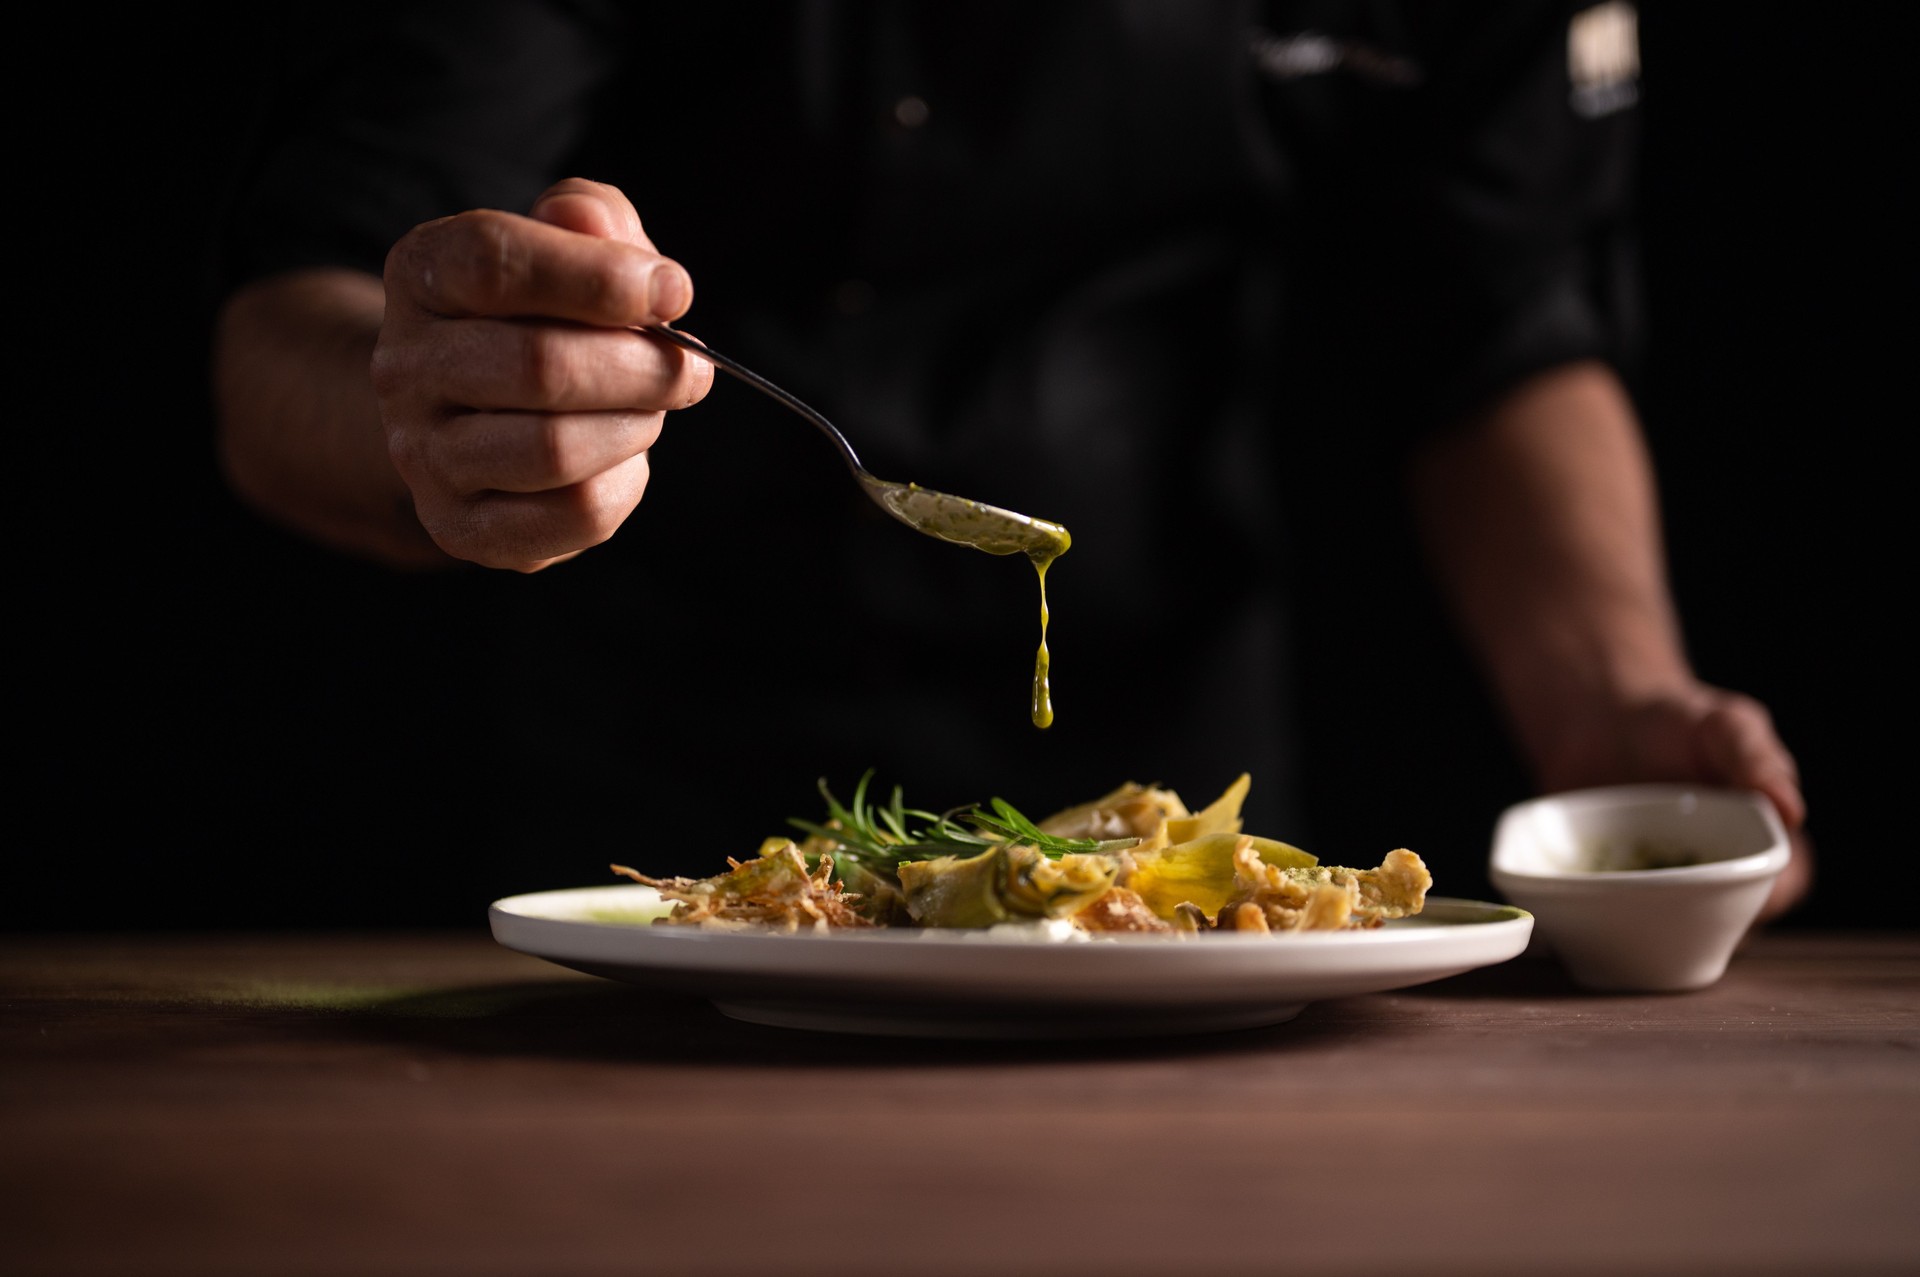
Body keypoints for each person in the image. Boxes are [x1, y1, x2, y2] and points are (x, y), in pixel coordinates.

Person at [211, 1, 1808, 915]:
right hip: (660, 812)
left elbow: (1498, 311)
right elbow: (287, 330)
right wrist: (442, 403)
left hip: (1184, 825)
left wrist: (1610, 708)